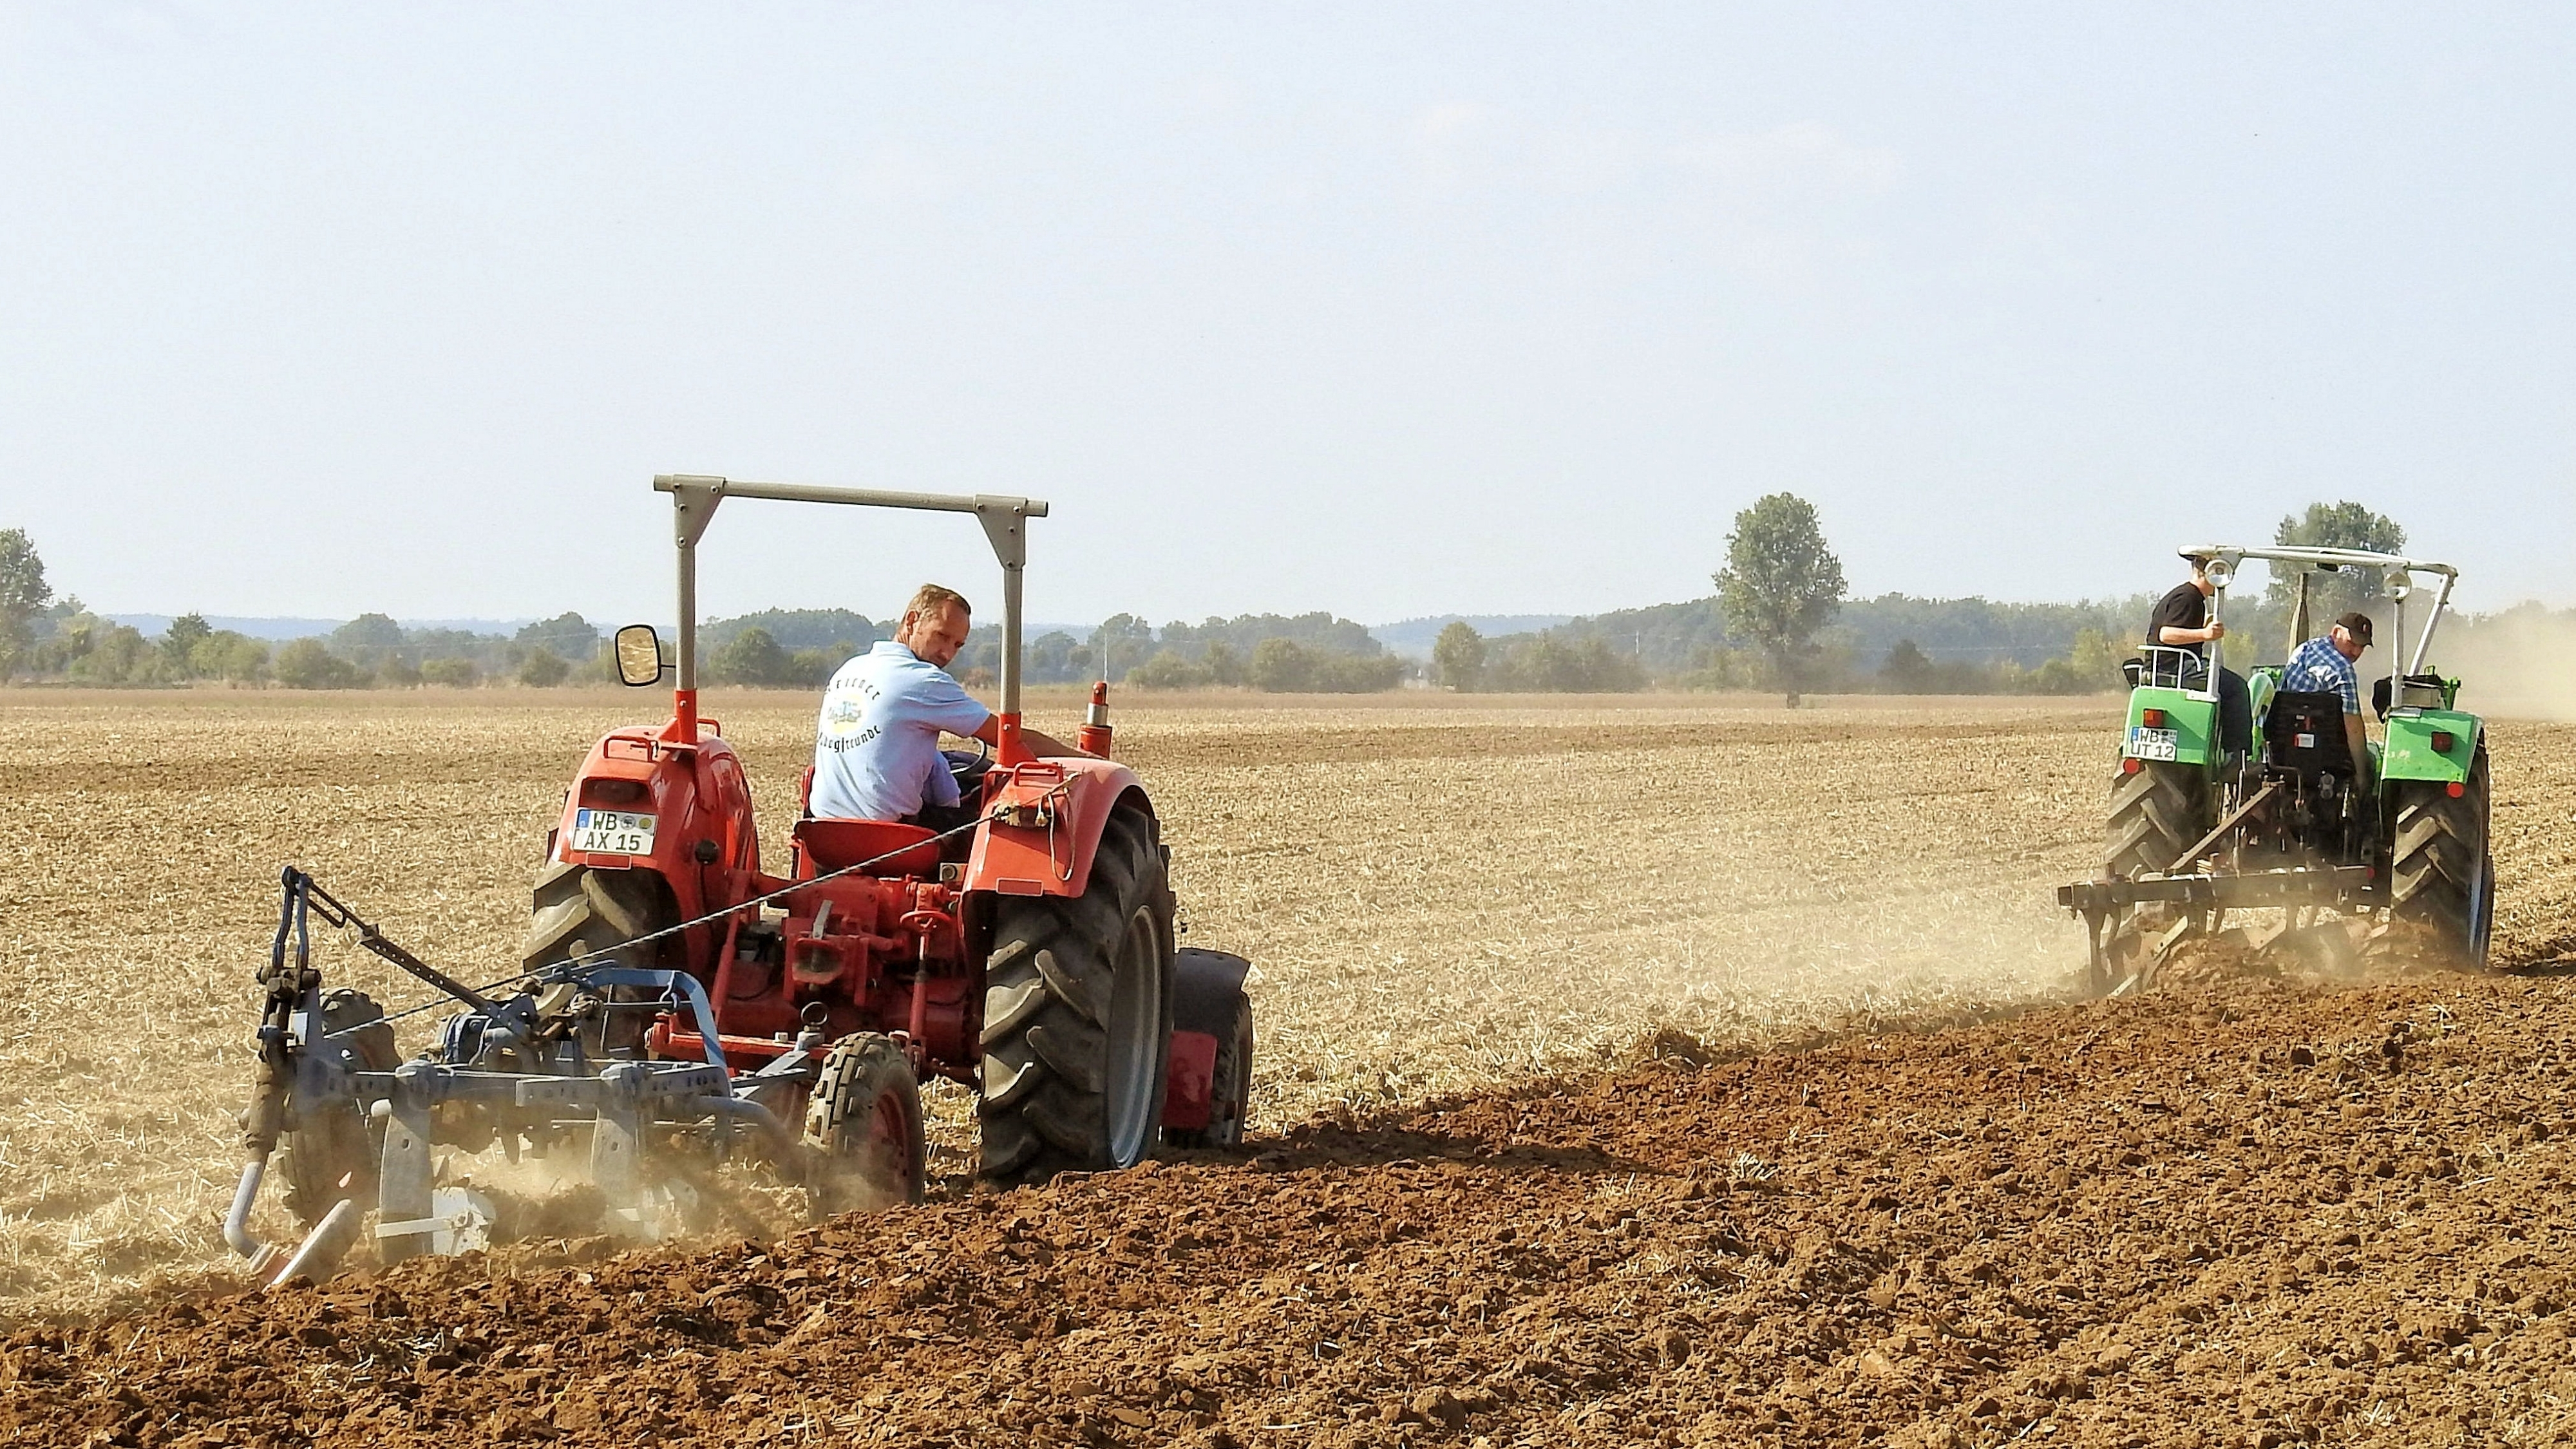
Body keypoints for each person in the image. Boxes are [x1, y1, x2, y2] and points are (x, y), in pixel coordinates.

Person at [810, 583, 1088, 831]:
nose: (948, 654)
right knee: (988, 818)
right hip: (889, 834)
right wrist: (1084, 761)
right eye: (942, 636)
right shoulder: (923, 680)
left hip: (823, 830)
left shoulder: (849, 669)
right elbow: (1009, 738)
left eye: (958, 645)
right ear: (912, 621)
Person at [2145, 554, 2251, 757]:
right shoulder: (2189, 597)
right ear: (2209, 573)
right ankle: (2237, 756)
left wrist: (2201, 627)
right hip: (2177, 668)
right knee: (2236, 688)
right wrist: (2205, 634)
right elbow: (2166, 634)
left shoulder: (2185, 596)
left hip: (2171, 666)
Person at [2280, 611, 2374, 778]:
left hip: (2284, 744)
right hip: (2326, 755)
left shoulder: (2303, 650)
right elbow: (2353, 728)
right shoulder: (2343, 669)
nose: (2357, 652)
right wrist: (2362, 776)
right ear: (2336, 632)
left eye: (2362, 647)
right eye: (2352, 643)